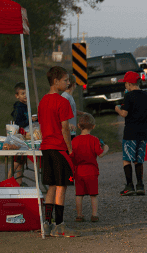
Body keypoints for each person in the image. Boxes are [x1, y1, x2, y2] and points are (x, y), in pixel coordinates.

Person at [39, 66, 80, 237]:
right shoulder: (62, 102)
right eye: (65, 80)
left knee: (51, 186)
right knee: (62, 186)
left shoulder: (42, 101)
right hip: (59, 148)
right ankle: (60, 225)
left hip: (46, 148)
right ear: (56, 82)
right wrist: (70, 148)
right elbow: (65, 129)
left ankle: (47, 223)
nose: (68, 83)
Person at [114, 71, 147, 196]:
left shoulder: (128, 96)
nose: (125, 86)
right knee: (138, 159)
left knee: (127, 159)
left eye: (125, 83)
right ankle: (140, 185)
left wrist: (117, 109)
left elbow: (124, 113)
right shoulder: (146, 95)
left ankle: (129, 186)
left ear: (129, 84)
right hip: (143, 131)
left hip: (130, 132)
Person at [70, 113, 109, 222]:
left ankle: (79, 215)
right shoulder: (94, 140)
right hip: (91, 171)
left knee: (79, 194)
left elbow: (71, 155)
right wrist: (106, 148)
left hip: (78, 171)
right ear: (93, 126)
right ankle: (94, 214)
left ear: (78, 126)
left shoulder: (74, 141)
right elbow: (100, 154)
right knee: (93, 194)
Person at [9, 82, 36, 185]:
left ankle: (18, 183)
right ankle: (8, 180)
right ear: (17, 96)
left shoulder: (26, 106)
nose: (25, 95)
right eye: (22, 93)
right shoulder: (19, 107)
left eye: (26, 93)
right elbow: (17, 123)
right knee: (17, 160)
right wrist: (30, 120)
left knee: (21, 162)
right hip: (19, 137)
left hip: (25, 136)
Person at [61, 74, 85, 140]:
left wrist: (82, 114)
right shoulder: (65, 97)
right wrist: (68, 124)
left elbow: (71, 111)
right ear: (74, 84)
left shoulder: (69, 96)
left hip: (72, 131)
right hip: (67, 132)